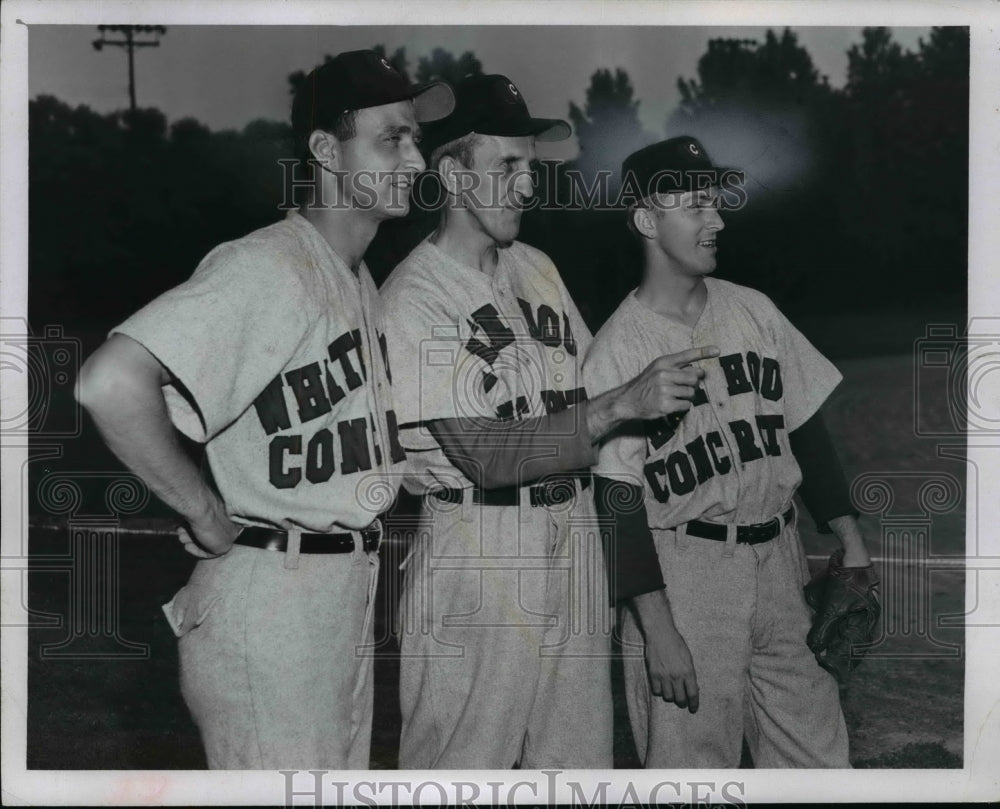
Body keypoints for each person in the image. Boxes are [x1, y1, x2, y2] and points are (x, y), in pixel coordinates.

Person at [75, 50, 454, 769]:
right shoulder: (269, 264)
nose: (416, 157)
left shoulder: (354, 277)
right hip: (272, 600)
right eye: (392, 138)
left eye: (416, 137)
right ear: (323, 150)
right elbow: (110, 381)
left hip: (331, 600)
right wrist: (203, 510)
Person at [380, 75, 717, 769]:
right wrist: (623, 404)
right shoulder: (414, 296)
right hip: (480, 546)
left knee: (576, 767)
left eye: (531, 166)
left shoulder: (536, 268)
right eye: (507, 165)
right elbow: (484, 455)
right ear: (451, 172)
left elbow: (585, 400)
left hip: (572, 540)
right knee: (460, 773)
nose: (528, 183)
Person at [583, 136, 876, 768]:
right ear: (645, 220)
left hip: (780, 561)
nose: (716, 219)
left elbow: (803, 424)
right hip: (685, 575)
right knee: (691, 769)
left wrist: (847, 537)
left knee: (819, 762)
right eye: (694, 205)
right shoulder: (616, 350)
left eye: (715, 203)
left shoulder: (754, 310)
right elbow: (616, 500)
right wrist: (657, 630)